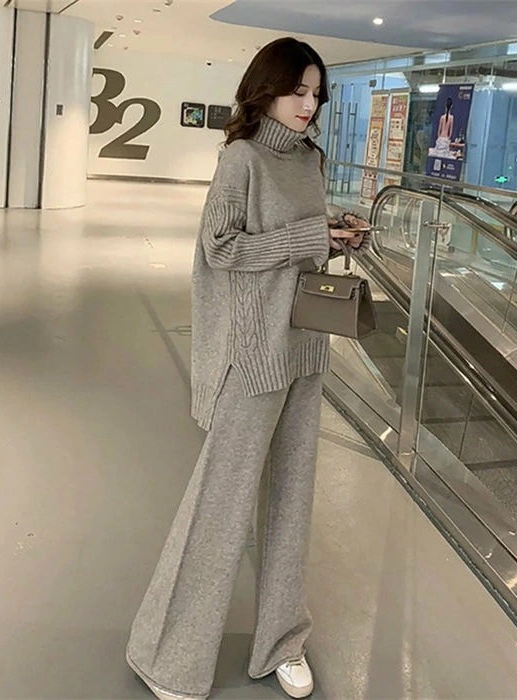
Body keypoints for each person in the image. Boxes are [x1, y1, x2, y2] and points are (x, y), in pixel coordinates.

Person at [125, 37, 369, 700]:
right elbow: (222, 249)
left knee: (293, 501)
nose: (308, 105)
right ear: (267, 89)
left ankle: (283, 642)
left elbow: (296, 247)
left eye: (316, 94)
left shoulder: (311, 160)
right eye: (298, 90)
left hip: (305, 346)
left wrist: (334, 234)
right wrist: (309, 236)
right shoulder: (241, 159)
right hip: (254, 351)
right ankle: (170, 656)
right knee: (220, 507)